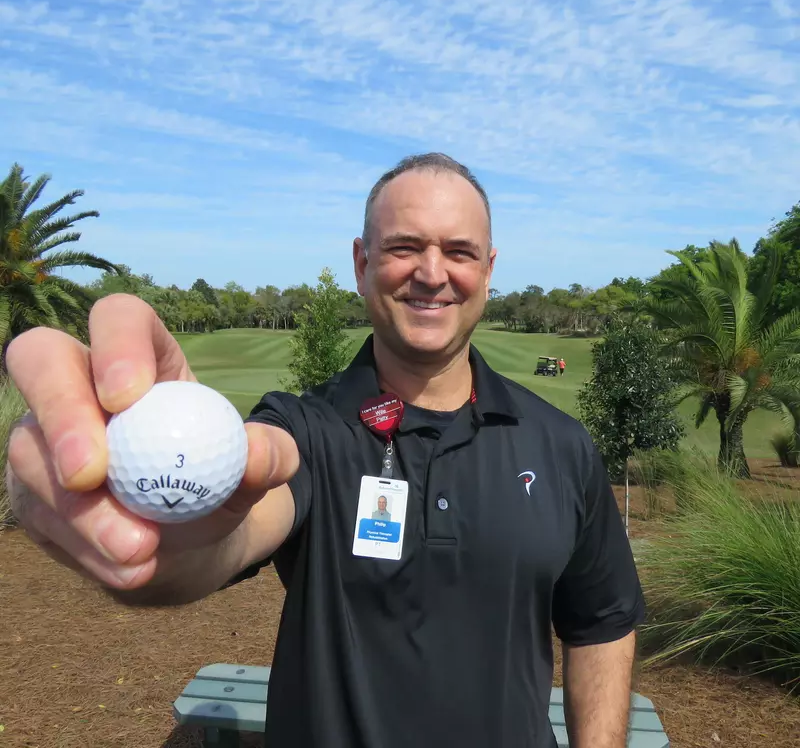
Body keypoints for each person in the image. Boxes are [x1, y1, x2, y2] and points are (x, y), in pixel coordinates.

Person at [5, 152, 645, 748]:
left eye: (458, 251)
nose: (431, 272)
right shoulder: (304, 429)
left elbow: (603, 621)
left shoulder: (561, 444)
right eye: (403, 247)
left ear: (488, 269)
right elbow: (229, 530)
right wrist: (154, 538)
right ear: (362, 263)